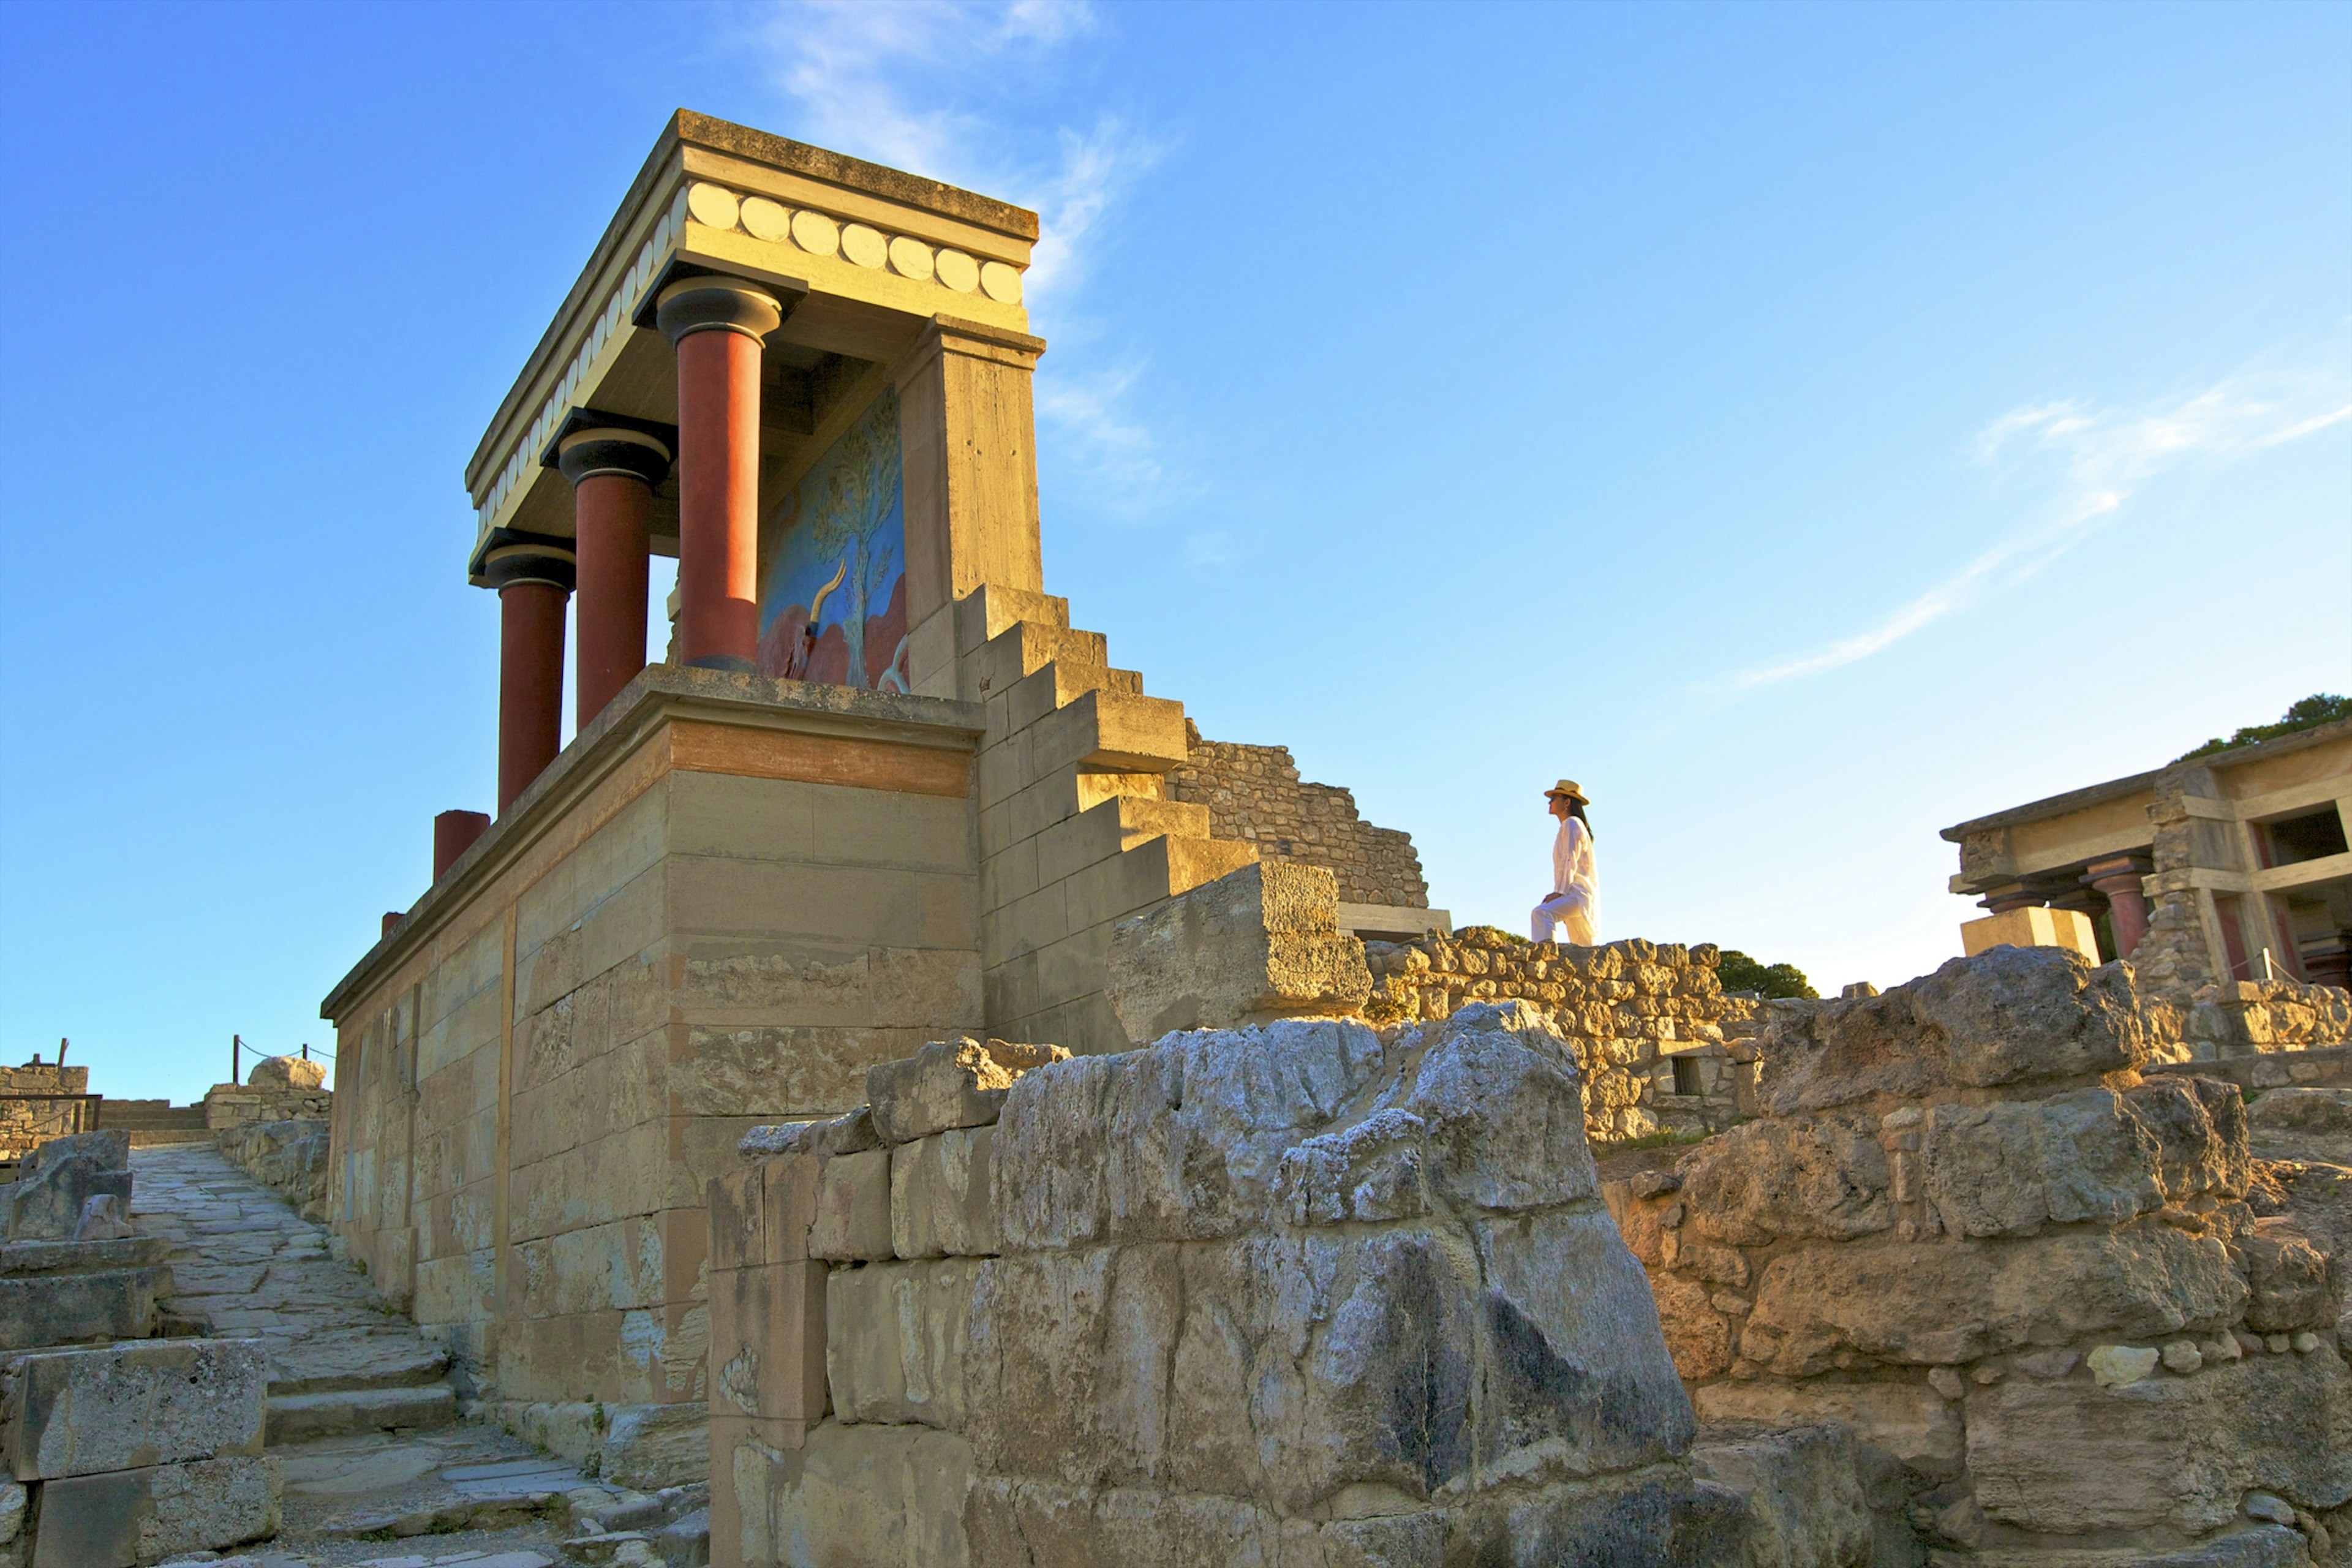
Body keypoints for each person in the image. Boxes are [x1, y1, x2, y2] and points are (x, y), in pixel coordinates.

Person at [1529, 779, 1599, 945]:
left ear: (1567, 802)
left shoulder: (1572, 824)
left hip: (1576, 895)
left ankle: (1546, 959)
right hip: (1577, 895)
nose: (1550, 802)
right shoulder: (1570, 826)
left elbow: (1570, 860)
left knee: (1542, 913)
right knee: (1585, 950)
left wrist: (1560, 892)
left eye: (1554, 798)